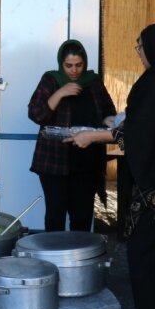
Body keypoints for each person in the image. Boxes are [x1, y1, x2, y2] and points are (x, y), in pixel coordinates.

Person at [70, 24, 155, 309]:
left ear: (154, 46)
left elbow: (140, 134)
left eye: (140, 46)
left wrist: (92, 136)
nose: (138, 52)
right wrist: (123, 122)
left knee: (141, 257)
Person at [28, 39, 116, 231]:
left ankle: (79, 259)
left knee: (82, 217)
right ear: (61, 63)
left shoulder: (93, 82)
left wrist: (109, 119)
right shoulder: (51, 80)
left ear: (84, 63)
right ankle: (53, 259)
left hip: (87, 161)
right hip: (54, 162)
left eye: (78, 65)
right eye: (68, 66)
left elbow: (108, 109)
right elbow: (36, 114)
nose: (74, 71)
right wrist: (59, 93)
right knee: (55, 215)